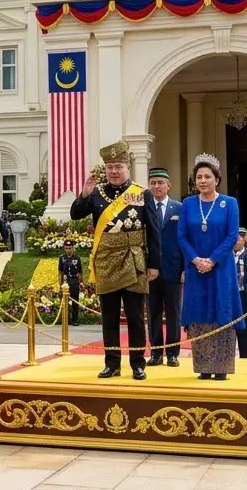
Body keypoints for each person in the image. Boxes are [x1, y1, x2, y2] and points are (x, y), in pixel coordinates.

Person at [71, 140, 159, 380]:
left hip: (134, 259)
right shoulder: (97, 193)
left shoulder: (141, 194)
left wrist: (154, 264)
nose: (114, 171)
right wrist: (84, 194)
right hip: (106, 260)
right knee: (109, 317)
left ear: (127, 168)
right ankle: (112, 364)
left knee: (135, 318)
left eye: (118, 166)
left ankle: (138, 364)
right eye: (110, 167)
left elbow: (153, 230)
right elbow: (75, 214)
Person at [178, 153, 241, 381]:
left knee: (221, 310)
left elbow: (232, 235)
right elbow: (182, 236)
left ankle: (222, 366)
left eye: (207, 176)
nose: (203, 181)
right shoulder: (187, 204)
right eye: (199, 177)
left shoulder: (229, 203)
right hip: (196, 270)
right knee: (199, 312)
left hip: (221, 269)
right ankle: (203, 366)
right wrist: (196, 260)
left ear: (217, 179)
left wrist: (212, 260)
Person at [143, 167, 182, 367]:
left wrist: (184, 268)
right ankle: (156, 352)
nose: (157, 186)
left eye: (160, 183)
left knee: (174, 313)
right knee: (153, 313)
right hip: (151, 271)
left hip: (174, 270)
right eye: (153, 183)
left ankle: (173, 353)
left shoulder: (179, 208)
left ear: (169, 185)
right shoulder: (143, 208)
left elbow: (185, 240)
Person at [59, 240, 83, 325]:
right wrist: (60, 283)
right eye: (66, 248)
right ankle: (65, 319)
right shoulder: (62, 258)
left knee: (75, 301)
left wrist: (81, 283)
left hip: (74, 281)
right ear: (64, 248)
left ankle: (75, 320)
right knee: (65, 301)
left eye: (69, 248)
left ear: (72, 248)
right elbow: (60, 272)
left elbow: (80, 272)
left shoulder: (77, 258)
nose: (68, 250)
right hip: (66, 282)